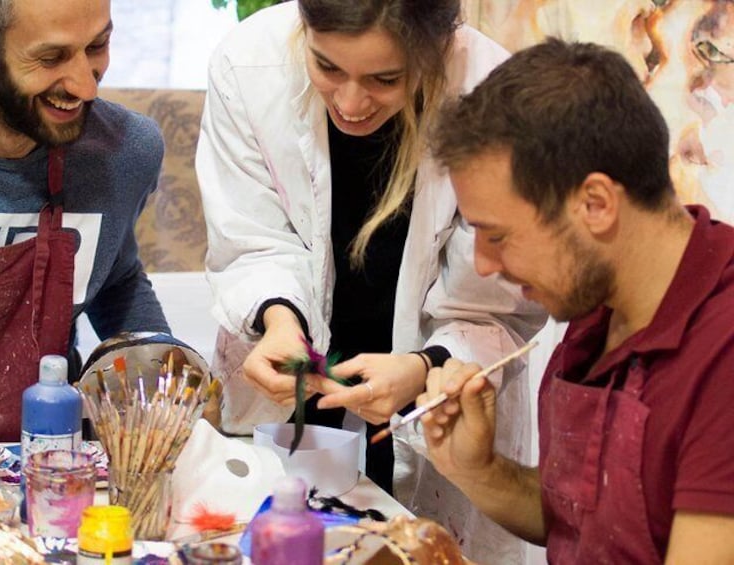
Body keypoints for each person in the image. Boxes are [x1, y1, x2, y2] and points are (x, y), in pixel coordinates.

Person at [196, 1, 544, 561]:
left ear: (437, 48)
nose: (351, 104)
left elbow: (495, 302)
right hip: (295, 393)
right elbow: (252, 236)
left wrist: (424, 367)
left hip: (430, 394)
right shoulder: (249, 64)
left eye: (386, 79)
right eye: (327, 67)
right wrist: (280, 323)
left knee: (418, 547)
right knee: (278, 538)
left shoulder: (494, 98)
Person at [423, 37, 734, 563]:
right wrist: (478, 470)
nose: (483, 264)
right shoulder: (597, 310)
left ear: (595, 204)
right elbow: (586, 522)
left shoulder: (722, 352)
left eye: (497, 235)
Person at [0, 0, 171, 443]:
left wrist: (162, 377)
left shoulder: (125, 153)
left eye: (97, 45)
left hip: (42, 461)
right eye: (50, 58)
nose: (85, 87)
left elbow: (114, 278)